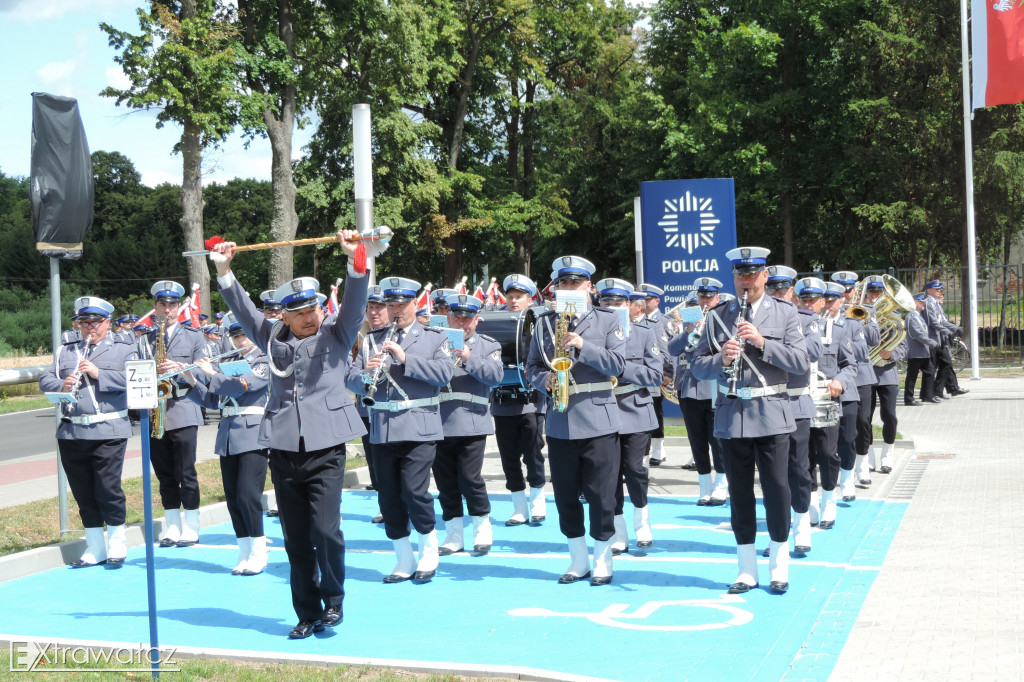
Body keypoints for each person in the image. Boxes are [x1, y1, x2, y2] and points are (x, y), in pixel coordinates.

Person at [211, 229, 376, 639]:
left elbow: (354, 303)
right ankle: (306, 612)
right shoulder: (271, 340)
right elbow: (245, 311)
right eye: (298, 311)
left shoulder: (336, 334)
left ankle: (333, 598)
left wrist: (356, 259)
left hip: (326, 449)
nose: (308, 316)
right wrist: (224, 270)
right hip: (284, 449)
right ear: (282, 315)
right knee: (296, 540)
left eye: (313, 308)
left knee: (325, 532)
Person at [691, 247, 808, 594]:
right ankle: (746, 570)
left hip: (771, 412)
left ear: (765, 276)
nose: (746, 281)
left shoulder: (785, 313)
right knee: (740, 495)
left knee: (776, 490)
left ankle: (778, 567)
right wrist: (720, 362)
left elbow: (801, 360)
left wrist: (761, 341)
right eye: (740, 274)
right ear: (734, 277)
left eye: (753, 274)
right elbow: (697, 365)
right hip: (733, 416)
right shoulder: (717, 315)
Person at [345, 276, 453, 584]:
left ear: (415, 303)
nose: (395, 311)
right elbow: (349, 377)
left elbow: (445, 373)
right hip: (382, 427)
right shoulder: (370, 340)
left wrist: (406, 359)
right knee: (389, 496)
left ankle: (428, 547)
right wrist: (366, 375)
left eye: (401, 305)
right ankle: (403, 557)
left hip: (419, 425)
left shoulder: (434, 337)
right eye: (390, 305)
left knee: (414, 490)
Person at [526, 256, 626, 586]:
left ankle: (602, 558)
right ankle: (577, 558)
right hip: (560, 419)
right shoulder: (543, 323)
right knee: (566, 494)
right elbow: (531, 368)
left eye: (575, 283)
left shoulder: (608, 320)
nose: (568, 289)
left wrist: (584, 346)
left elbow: (617, 364)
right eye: (563, 284)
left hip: (597, 417)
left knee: (601, 493)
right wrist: (545, 382)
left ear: (589, 287)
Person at [39, 297, 138, 568]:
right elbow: (45, 378)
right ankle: (95, 547)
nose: (89, 328)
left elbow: (136, 379)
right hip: (72, 431)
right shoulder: (66, 351)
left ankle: (117, 543)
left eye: (95, 322)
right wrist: (62, 383)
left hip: (108, 429)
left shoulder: (125, 348)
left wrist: (97, 373)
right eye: (84, 322)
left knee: (107, 488)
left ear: (108, 322)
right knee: (83, 491)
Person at [182, 312, 270, 575]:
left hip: (253, 433)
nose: (239, 340)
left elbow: (243, 386)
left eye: (243, 335)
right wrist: (192, 380)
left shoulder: (263, 360)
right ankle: (244, 551)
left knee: (247, 495)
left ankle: (259, 550)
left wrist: (212, 373)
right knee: (233, 498)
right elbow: (213, 400)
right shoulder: (228, 361)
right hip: (229, 435)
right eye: (234, 336)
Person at [140, 280, 210, 548]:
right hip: (155, 412)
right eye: (162, 305)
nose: (166, 310)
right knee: (164, 474)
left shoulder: (193, 336)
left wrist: (179, 367)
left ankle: (192, 525)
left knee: (186, 472)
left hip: (183, 407)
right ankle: (172, 524)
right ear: (155, 307)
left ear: (179, 307)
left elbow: (203, 371)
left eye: (171, 305)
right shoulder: (144, 339)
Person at [434, 294, 504, 555]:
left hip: (471, 419)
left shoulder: (488, 345)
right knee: (445, 482)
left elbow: (496, 376)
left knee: (469, 478)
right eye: (456, 317)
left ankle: (481, 527)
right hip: (438, 420)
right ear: (448, 317)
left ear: (477, 320)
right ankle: (453, 534)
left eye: (467, 318)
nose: (461, 322)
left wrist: (467, 356)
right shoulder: (435, 341)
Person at [597, 278, 662, 554]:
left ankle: (642, 520)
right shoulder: (592, 335)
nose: (612, 307)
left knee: (634, 469)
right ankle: (618, 531)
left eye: (617, 303)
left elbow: (656, 375)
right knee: (609, 476)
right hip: (602, 409)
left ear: (629, 305)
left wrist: (622, 370)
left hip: (635, 408)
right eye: (606, 302)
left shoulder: (645, 334)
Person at [491, 274, 548, 527]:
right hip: (503, 400)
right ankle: (518, 507)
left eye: (519, 297)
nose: (514, 301)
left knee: (533, 452)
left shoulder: (540, 322)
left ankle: (537, 502)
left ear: (529, 299)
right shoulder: (496, 321)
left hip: (531, 400)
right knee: (508, 456)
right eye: (510, 297)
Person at [669, 277, 729, 505]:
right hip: (690, 388)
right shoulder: (690, 316)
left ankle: (722, 484)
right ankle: (704, 485)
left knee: (718, 440)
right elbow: (673, 349)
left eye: (709, 297)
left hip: (714, 387)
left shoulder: (723, 317)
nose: (705, 301)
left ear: (717, 298)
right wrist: (688, 331)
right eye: (702, 296)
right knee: (697, 439)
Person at [783, 277, 825, 554]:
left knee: (799, 469)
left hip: (795, 401)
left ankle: (801, 529)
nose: (776, 293)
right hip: (763, 405)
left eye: (781, 288)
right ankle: (780, 531)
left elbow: (811, 351)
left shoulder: (805, 319)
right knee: (774, 474)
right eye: (771, 288)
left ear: (791, 293)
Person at [812, 282, 859, 530]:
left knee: (828, 453)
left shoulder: (839, 330)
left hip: (826, 401)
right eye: (805, 300)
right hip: (799, 401)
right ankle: (809, 502)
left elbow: (851, 365)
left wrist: (839, 380)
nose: (812, 304)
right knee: (802, 458)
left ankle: (829, 498)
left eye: (815, 300)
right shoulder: (794, 328)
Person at [831, 271, 879, 503]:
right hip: (834, 379)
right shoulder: (826, 316)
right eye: (841, 289)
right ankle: (840, 471)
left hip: (859, 376)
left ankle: (861, 466)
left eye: (849, 289)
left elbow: (870, 344)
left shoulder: (864, 313)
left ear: (855, 291)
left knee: (861, 423)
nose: (846, 293)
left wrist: (861, 320)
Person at [859, 276, 908, 482]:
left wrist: (892, 353)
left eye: (879, 293)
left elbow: (904, 346)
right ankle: (868, 456)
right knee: (864, 419)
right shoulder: (860, 315)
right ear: (867, 294)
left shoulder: (895, 316)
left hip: (887, 372)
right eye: (872, 293)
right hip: (867, 373)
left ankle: (887, 454)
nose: (875, 296)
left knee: (889, 415)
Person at [352, 285, 388, 520]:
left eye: (379, 307)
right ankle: (384, 504)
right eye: (370, 308)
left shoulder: (399, 334)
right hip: (369, 410)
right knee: (375, 460)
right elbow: (353, 377)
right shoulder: (362, 339)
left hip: (396, 412)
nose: (373, 312)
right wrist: (366, 372)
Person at [637, 283, 673, 466]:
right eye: (641, 299)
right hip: (641, 375)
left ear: (656, 301)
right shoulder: (639, 320)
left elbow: (665, 352)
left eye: (647, 299)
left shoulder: (661, 322)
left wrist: (666, 373)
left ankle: (657, 450)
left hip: (654, 376)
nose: (644, 302)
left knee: (655, 413)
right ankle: (650, 452)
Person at [923, 280, 968, 398]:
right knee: (933, 367)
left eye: (940, 289)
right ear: (929, 290)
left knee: (945, 363)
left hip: (940, 338)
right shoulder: (928, 303)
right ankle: (929, 393)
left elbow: (942, 321)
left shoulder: (935, 303)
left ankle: (938, 391)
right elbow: (933, 322)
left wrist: (956, 328)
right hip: (932, 339)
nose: (940, 291)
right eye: (937, 289)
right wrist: (949, 332)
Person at [905, 293, 938, 406]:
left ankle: (928, 395)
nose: (923, 304)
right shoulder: (911, 317)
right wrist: (932, 342)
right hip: (916, 352)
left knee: (930, 372)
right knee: (912, 376)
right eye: (921, 302)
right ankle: (908, 398)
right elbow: (917, 334)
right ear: (915, 303)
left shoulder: (918, 316)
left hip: (923, 351)